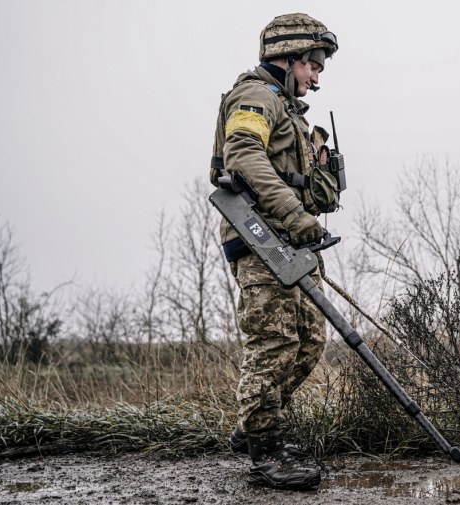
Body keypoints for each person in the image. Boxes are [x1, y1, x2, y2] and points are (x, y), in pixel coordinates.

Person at [208, 13, 342, 490]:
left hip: (291, 243)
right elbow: (244, 156)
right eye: (314, 66)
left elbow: (306, 186)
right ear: (288, 58)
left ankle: (254, 421)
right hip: (263, 240)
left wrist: (321, 180)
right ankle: (267, 449)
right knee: (274, 342)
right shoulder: (254, 97)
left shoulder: (290, 112)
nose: (316, 77)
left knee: (308, 342)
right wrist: (294, 215)